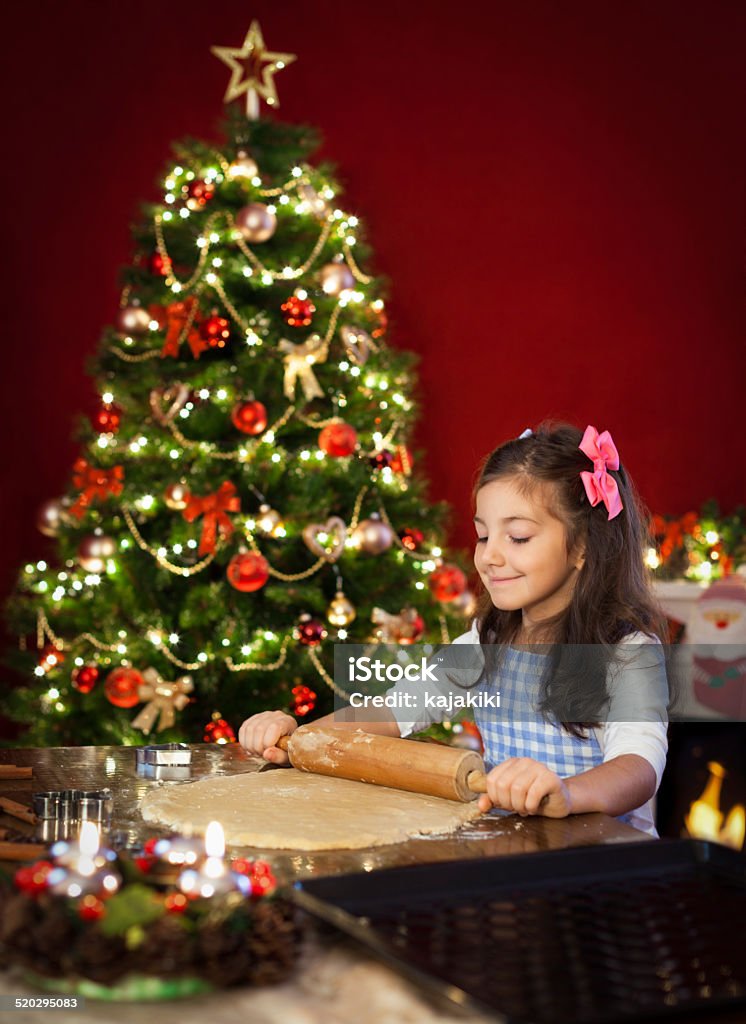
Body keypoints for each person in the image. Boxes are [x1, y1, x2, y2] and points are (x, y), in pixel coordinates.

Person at [238, 422, 669, 836]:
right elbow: (392, 713)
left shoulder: (628, 653)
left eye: (517, 537)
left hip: (606, 866)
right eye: (483, 536)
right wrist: (300, 736)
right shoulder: (487, 643)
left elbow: (638, 768)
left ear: (582, 548)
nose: (489, 557)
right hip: (514, 853)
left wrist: (567, 794)